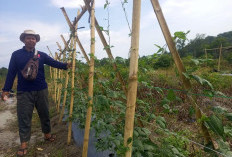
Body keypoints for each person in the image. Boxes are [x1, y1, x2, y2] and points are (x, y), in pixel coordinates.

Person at [1, 30, 71, 156]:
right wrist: (6, 90)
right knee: (24, 117)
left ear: (36, 41)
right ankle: (24, 143)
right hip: (23, 91)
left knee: (44, 113)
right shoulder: (16, 55)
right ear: (23, 40)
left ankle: (47, 134)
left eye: (33, 38)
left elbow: (53, 63)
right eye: (28, 38)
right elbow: (11, 72)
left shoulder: (41, 55)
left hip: (41, 89)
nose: (31, 40)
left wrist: (65, 65)